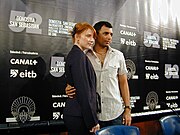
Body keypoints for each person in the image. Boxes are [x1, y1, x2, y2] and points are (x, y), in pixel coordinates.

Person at [66, 21, 132, 128]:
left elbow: (123, 83)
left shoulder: (118, 56)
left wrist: (128, 109)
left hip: (115, 113)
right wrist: (70, 87)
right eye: (105, 33)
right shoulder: (84, 56)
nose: (109, 37)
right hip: (93, 115)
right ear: (96, 35)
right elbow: (79, 81)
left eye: (111, 34)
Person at [63, 22, 100, 135]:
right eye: (88, 36)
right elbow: (84, 91)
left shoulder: (78, 55)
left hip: (78, 114)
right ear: (77, 37)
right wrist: (92, 121)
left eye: (93, 37)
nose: (92, 40)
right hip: (79, 116)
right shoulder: (78, 56)